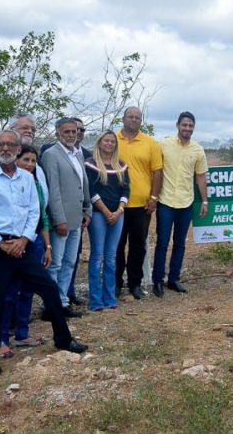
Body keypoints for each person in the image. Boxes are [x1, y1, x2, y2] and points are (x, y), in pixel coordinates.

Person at [0, 130, 87, 375]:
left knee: (49, 288)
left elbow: (34, 211)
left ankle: (63, 339)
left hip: (22, 247)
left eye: (10, 144)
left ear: (17, 150)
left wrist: (24, 239)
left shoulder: (26, 178)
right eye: (0, 144)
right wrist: (1, 243)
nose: (5, 148)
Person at [0, 144, 52, 358]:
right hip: (12, 242)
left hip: (34, 240)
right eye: (25, 160)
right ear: (16, 160)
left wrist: (47, 246)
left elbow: (43, 217)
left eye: (33, 161)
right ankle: (2, 337)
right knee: (9, 292)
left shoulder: (36, 183)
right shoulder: (9, 184)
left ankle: (22, 334)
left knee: (28, 290)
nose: (29, 164)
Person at [151, 111, 209, 296]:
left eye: (191, 126)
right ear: (177, 125)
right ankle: (157, 281)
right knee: (162, 243)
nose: (187, 128)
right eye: (184, 125)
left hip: (186, 203)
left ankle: (174, 279)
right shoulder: (163, 145)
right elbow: (155, 170)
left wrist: (205, 201)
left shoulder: (198, 150)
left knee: (180, 243)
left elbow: (200, 177)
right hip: (166, 202)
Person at [40, 117, 91, 317]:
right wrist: (59, 219)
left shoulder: (77, 155)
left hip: (77, 218)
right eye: (67, 131)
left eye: (74, 131)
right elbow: (53, 190)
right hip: (61, 221)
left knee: (70, 263)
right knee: (55, 264)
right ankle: (50, 306)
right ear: (58, 133)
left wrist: (88, 209)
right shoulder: (51, 155)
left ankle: (62, 303)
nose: (71, 135)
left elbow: (83, 184)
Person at [116, 107, 163, 300]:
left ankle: (134, 283)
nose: (134, 120)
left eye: (137, 117)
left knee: (138, 246)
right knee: (117, 246)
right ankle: (115, 284)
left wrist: (153, 198)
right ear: (123, 118)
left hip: (141, 205)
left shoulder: (150, 143)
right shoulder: (112, 140)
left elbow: (158, 172)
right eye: (130, 116)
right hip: (116, 205)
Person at [85, 131, 130, 311]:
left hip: (117, 215)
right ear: (100, 143)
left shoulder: (121, 165)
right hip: (98, 214)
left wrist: (119, 211)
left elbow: (126, 190)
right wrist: (105, 211)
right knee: (97, 256)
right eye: (106, 140)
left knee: (111, 257)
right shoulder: (90, 164)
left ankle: (110, 298)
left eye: (112, 141)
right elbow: (91, 190)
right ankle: (96, 300)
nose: (109, 144)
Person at [0, 113, 48, 204]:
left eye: (33, 129)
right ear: (11, 130)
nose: (30, 131)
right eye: (25, 128)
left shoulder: (35, 157)